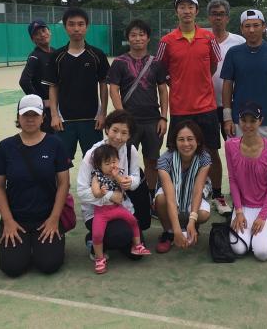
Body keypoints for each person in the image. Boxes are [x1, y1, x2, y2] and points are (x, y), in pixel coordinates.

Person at [156, 0, 225, 214]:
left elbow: (213, 66)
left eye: (190, 7)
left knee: (211, 152)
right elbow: (160, 70)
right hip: (180, 109)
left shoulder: (209, 38)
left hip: (206, 108)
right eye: (182, 7)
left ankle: (217, 193)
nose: (186, 11)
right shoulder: (166, 41)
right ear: (176, 11)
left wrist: (200, 83)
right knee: (176, 153)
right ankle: (175, 192)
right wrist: (174, 82)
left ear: (196, 11)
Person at [0, 94, 72, 277]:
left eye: (34, 115)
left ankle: (44, 243)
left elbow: (63, 183)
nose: (30, 119)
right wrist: (8, 221)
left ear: (43, 117)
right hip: (17, 217)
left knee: (49, 265)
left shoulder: (55, 144)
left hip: (46, 217)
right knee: (12, 267)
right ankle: (25, 245)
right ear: (18, 117)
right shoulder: (5, 147)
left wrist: (54, 219)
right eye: (25, 115)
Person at [108, 19, 168, 195]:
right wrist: (122, 117)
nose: (137, 38)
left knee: (152, 160)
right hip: (129, 122)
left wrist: (163, 117)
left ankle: (150, 195)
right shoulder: (119, 62)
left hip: (152, 120)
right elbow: (114, 90)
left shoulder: (156, 62)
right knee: (124, 159)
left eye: (142, 34)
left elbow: (163, 91)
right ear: (128, 38)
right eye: (133, 35)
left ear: (148, 38)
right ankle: (125, 194)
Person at [77, 110, 144, 260]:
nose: (119, 137)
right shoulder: (93, 154)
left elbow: (135, 177)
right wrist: (110, 196)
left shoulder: (130, 149)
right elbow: (82, 191)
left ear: (130, 135)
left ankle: (106, 240)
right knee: (120, 236)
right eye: (115, 130)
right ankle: (93, 241)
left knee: (136, 254)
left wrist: (130, 183)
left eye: (124, 133)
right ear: (107, 129)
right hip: (97, 210)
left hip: (121, 207)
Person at [44, 8, 110, 159]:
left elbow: (103, 85)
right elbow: (53, 87)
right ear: (65, 27)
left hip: (92, 120)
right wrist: (54, 115)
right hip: (64, 120)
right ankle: (63, 184)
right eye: (71, 24)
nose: (76, 29)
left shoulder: (97, 55)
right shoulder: (56, 56)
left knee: (95, 160)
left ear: (87, 26)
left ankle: (93, 184)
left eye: (81, 24)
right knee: (62, 161)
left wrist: (102, 114)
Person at [225, 102, 267, 261]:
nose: (248, 125)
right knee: (238, 248)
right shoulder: (230, 145)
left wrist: (263, 216)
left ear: (260, 121)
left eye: (253, 120)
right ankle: (257, 233)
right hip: (244, 205)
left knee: (261, 252)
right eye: (244, 120)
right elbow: (233, 180)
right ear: (239, 120)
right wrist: (238, 211)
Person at [221, 9, 267, 141]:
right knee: (238, 161)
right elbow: (227, 86)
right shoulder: (233, 53)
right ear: (241, 29)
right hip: (238, 122)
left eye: (256, 25)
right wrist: (227, 118)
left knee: (266, 161)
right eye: (247, 26)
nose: (251, 30)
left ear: (264, 27)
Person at [90, 144, 151, 273]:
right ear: (99, 165)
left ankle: (137, 245)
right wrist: (102, 192)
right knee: (97, 234)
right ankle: (99, 259)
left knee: (133, 221)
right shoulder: (97, 176)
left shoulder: (118, 173)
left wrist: (116, 175)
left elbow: (124, 185)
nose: (112, 165)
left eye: (114, 161)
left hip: (118, 208)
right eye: (107, 163)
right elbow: (95, 193)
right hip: (102, 212)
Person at [154, 120, 212, 253]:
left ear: (197, 141)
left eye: (190, 139)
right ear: (175, 142)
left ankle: (191, 226)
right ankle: (168, 232)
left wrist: (192, 220)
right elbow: (170, 198)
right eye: (181, 139)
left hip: (192, 196)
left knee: (203, 214)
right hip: (172, 198)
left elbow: (198, 191)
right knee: (161, 198)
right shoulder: (164, 161)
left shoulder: (204, 158)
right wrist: (175, 231)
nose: (186, 144)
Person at [207, 0, 245, 141]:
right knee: (209, 150)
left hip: (233, 105)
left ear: (227, 18)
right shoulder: (202, 41)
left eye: (222, 14)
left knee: (235, 147)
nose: (218, 17)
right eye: (214, 13)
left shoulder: (239, 42)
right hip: (207, 105)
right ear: (209, 17)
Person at [19, 19, 55, 133]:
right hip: (47, 111)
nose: (42, 35)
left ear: (49, 31)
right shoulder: (35, 56)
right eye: (37, 34)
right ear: (33, 39)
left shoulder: (56, 52)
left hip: (59, 108)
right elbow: (24, 81)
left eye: (44, 30)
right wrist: (40, 101)